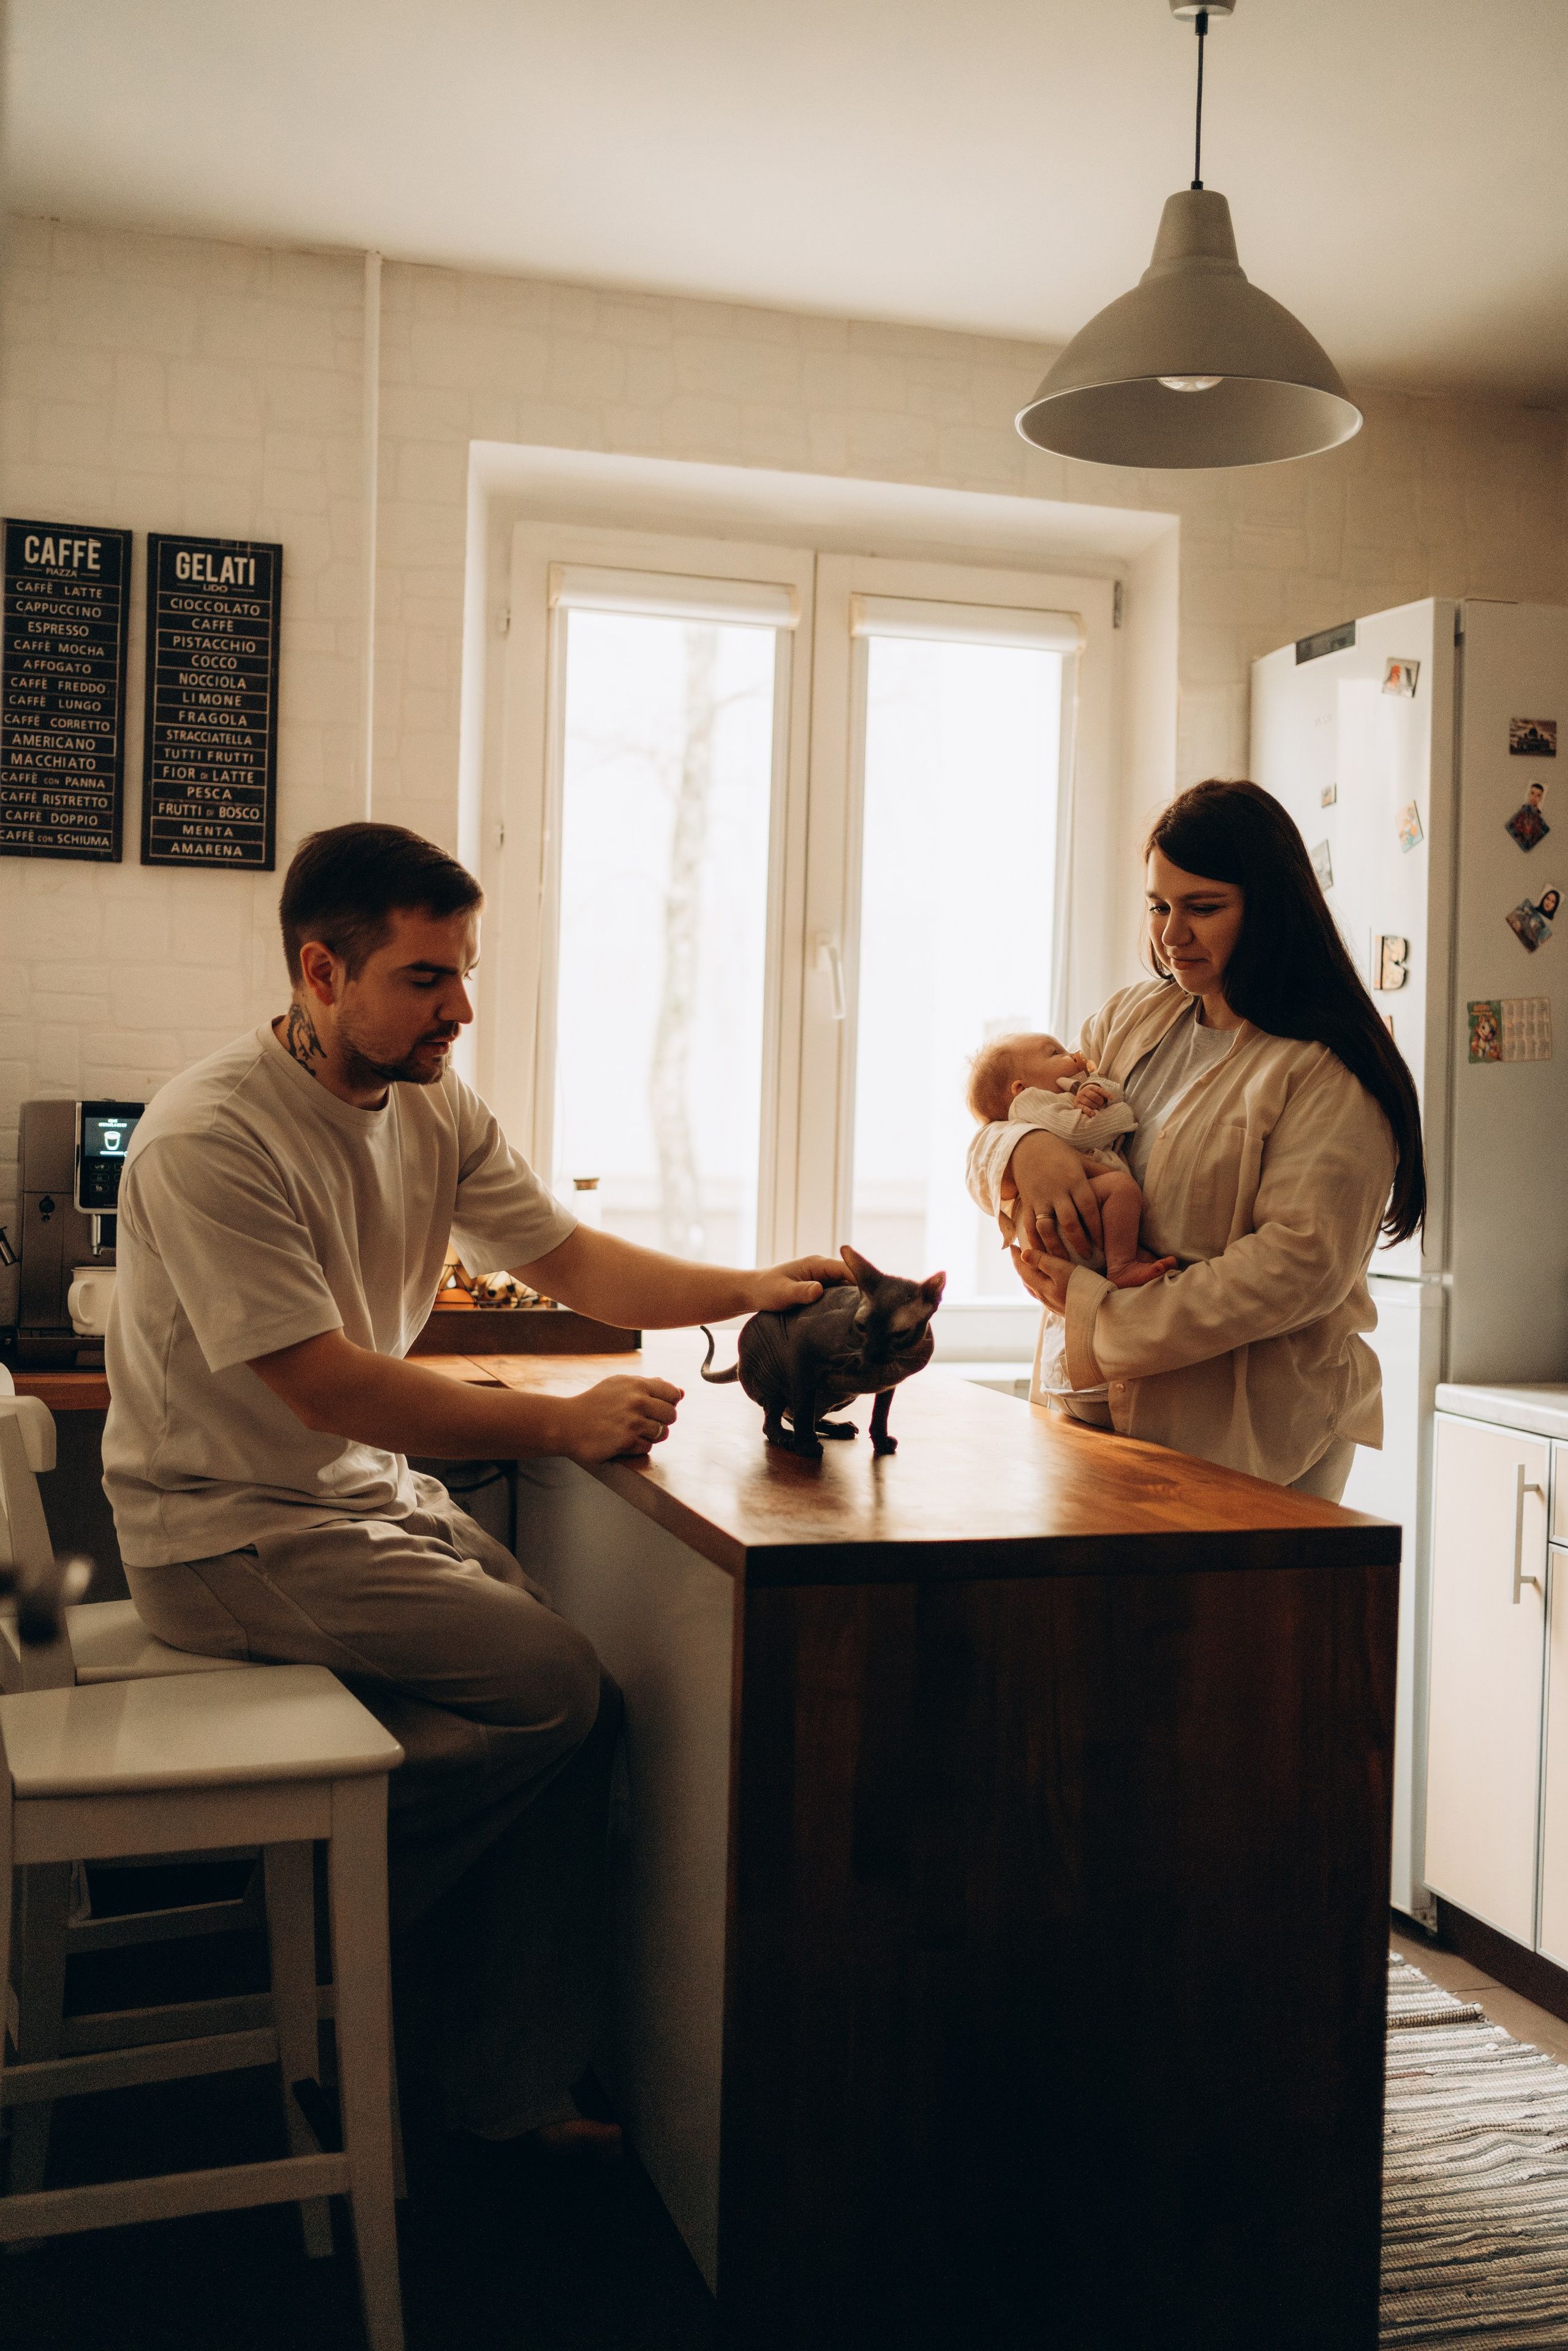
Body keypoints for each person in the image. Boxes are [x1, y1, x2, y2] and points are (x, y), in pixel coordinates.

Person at [102, 821, 843, 2156]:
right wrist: (554, 1426)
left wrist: (750, 1286)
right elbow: (324, 1384)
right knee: (560, 1688)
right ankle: (309, 1938)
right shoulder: (210, 1136)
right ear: (321, 976)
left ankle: (482, 2056)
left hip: (348, 1502)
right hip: (224, 1530)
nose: (462, 1006)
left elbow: (569, 1258)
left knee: (574, 1698)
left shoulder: (434, 1104)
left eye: (463, 970)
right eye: (427, 977)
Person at [967, 780, 1425, 1503]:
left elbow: (1295, 1269)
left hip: (1250, 1442)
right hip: (1087, 1418)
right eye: (1158, 906)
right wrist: (1024, 1149)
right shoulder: (1132, 1016)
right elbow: (998, 1121)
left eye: (1202, 908)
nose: (1170, 935)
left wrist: (1101, 1317)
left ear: (1270, 907)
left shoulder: (1326, 1068)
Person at [964, 1032, 1172, 1290]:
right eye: (1055, 1053)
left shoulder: (1058, 1100)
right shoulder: (1032, 1102)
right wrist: (1120, 1115)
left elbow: (1109, 1096)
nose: (1076, 1057)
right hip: (1061, 1222)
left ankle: (1121, 1261)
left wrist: (1092, 1090)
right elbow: (1078, 1131)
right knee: (1122, 1189)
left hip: (1067, 1223)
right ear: (1021, 1088)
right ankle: (1122, 1266)